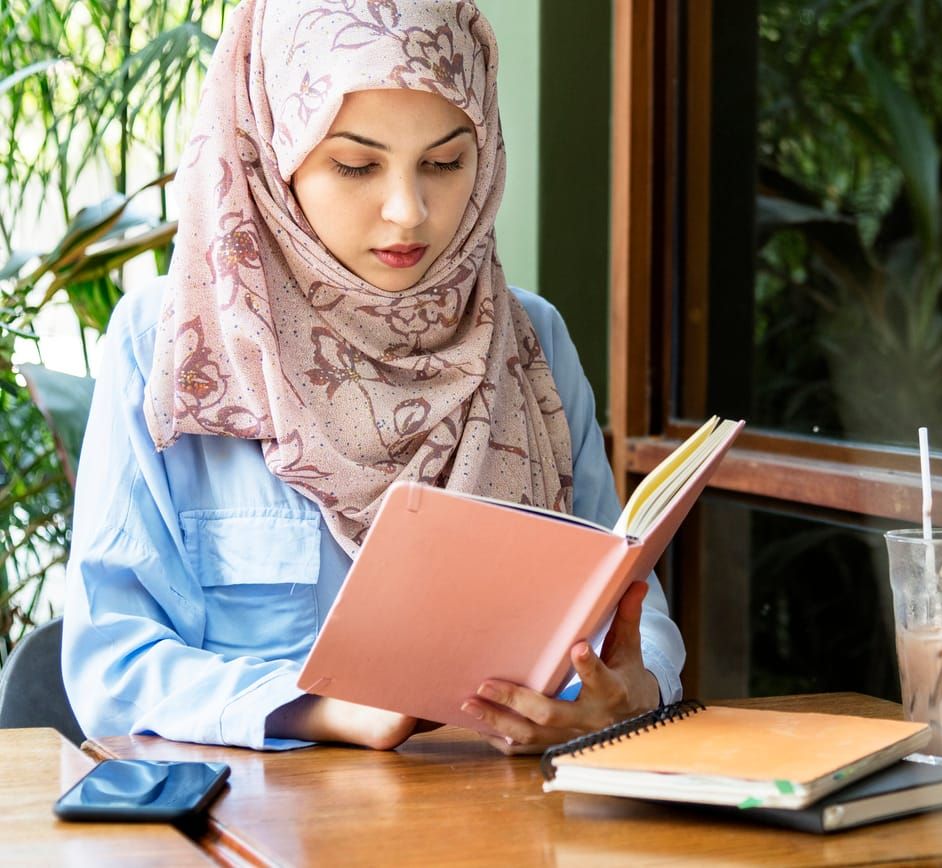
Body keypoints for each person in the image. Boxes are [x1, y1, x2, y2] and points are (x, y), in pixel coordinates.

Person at [61, 0, 684, 753]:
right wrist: (328, 710)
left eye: (446, 163)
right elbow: (112, 664)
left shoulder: (530, 340)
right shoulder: (173, 343)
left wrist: (631, 690)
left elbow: (619, 602)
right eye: (355, 165)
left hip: (502, 822)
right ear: (272, 155)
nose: (408, 211)